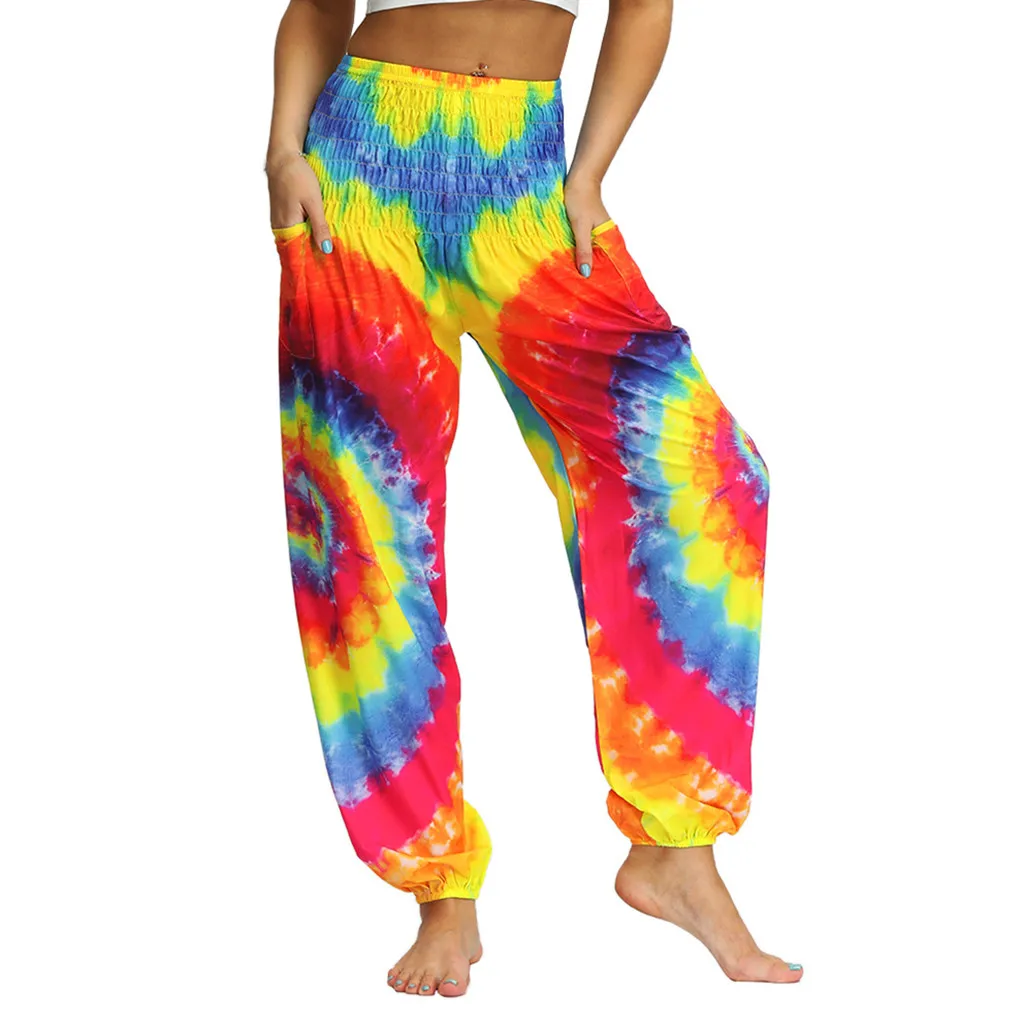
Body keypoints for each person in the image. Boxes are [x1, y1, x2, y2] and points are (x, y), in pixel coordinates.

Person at [265, 0, 800, 996]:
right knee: (368, 530)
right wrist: (282, 153)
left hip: (524, 177)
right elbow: (319, 3)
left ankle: (674, 848)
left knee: (704, 470)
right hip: (357, 173)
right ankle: (440, 889)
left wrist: (588, 173)